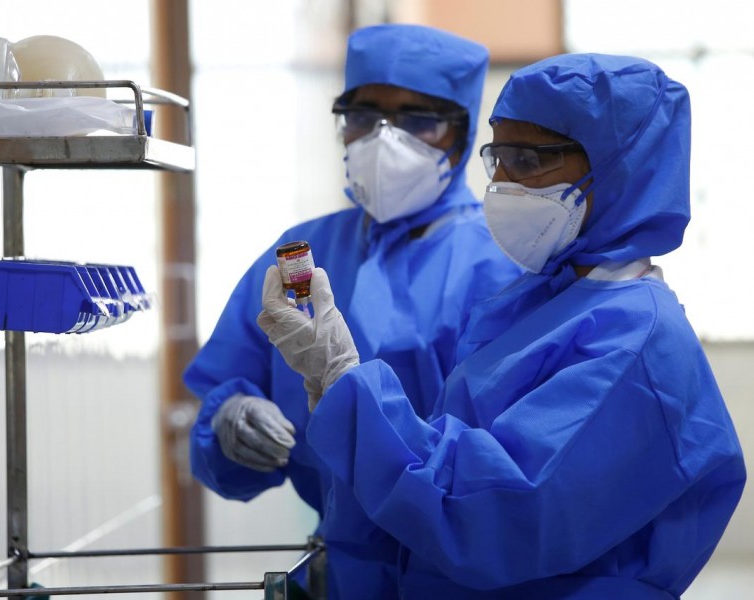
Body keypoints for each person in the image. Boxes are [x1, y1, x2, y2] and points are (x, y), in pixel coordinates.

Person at [258, 53, 747, 598]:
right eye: (500, 159)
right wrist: (332, 384)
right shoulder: (542, 301)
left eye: (530, 161)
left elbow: (488, 513)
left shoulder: (634, 344)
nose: (504, 184)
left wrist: (344, 379)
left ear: (620, 170)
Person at [184, 24, 521, 598]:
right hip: (340, 570)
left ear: (463, 135)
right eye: (362, 116)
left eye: (418, 121)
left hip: (471, 576)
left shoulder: (510, 262)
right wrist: (231, 420)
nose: (383, 140)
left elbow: (522, 465)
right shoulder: (300, 256)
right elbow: (225, 397)